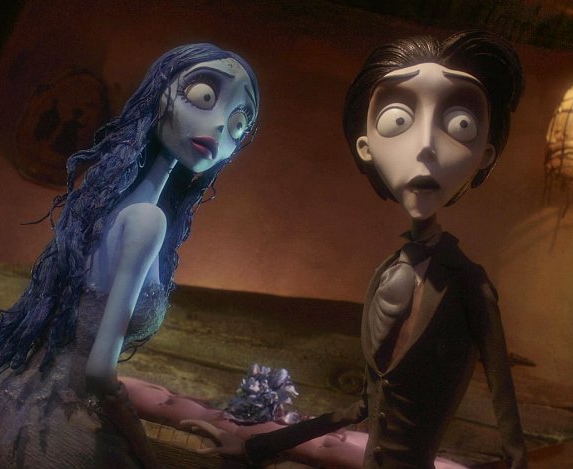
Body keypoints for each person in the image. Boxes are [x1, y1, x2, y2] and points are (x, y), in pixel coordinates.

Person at [184, 30, 527, 469]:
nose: (426, 146)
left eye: (461, 124)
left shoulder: (469, 285)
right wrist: (254, 447)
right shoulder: (386, 273)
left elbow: (510, 430)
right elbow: (362, 406)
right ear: (365, 145)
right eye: (398, 120)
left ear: (486, 154)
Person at [0, 43, 259, 469]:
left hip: (5, 407)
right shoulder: (147, 220)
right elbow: (100, 372)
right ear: (158, 93)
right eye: (204, 96)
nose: (221, 126)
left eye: (240, 124)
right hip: (59, 433)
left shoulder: (99, 207)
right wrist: (143, 451)